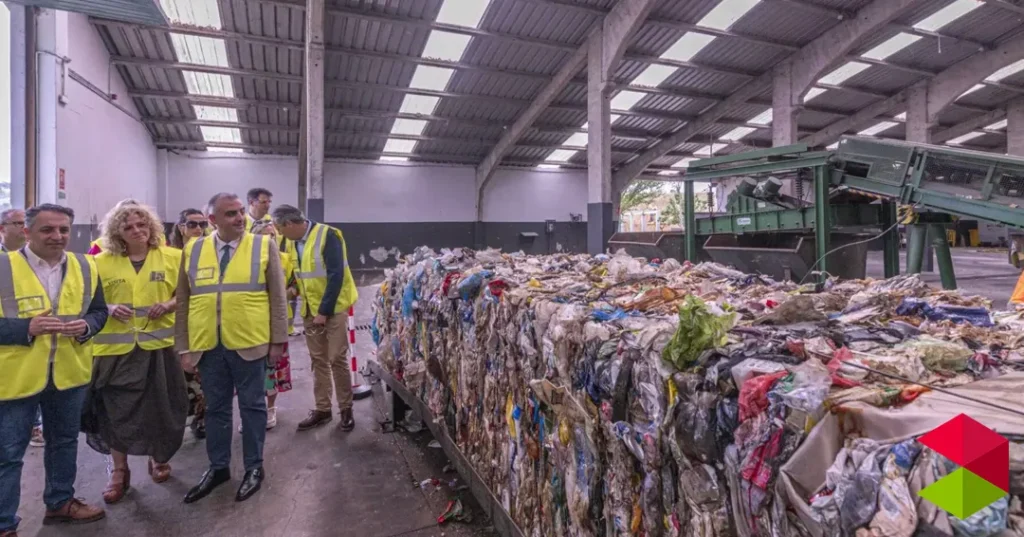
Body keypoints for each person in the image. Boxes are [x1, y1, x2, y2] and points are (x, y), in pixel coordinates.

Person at [0, 204, 109, 537]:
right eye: (47, 229)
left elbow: (99, 312)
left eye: (63, 229)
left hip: (68, 374)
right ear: (27, 232)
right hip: (15, 379)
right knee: (8, 453)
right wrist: (25, 328)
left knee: (63, 442)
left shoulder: (86, 266)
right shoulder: (3, 267)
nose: (57, 236)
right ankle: (4, 523)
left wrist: (87, 327)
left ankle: (60, 502)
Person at [176, 193, 288, 504]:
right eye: (230, 214)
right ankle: (218, 468)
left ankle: (254, 467)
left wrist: (278, 340)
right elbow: (184, 301)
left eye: (240, 212)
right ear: (212, 220)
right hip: (207, 344)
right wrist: (183, 346)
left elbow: (278, 297)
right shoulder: (193, 249)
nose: (239, 218)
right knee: (216, 409)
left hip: (250, 341)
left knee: (253, 406)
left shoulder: (263, 246)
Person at [83, 203, 188, 505]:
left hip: (159, 348)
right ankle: (119, 471)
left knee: (162, 406)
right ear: (117, 232)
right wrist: (108, 307)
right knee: (115, 412)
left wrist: (168, 305)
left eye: (142, 224)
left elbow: (188, 293)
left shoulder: (174, 257)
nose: (137, 230)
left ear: (152, 226)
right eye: (128, 226)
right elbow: (84, 299)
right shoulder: (99, 262)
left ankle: (159, 456)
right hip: (114, 351)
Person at [272, 205, 359, 432]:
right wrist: (291, 290)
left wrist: (324, 311)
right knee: (318, 360)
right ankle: (323, 409)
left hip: (333, 308)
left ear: (289, 224)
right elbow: (298, 274)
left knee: (336, 358)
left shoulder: (328, 235)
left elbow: (336, 275)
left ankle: (346, 409)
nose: (279, 233)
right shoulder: (291, 242)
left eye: (280, 228)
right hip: (310, 309)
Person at [244, 220, 294, 431]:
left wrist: (279, 295)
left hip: (277, 325)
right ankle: (251, 412)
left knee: (272, 369)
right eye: (264, 236)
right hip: (249, 325)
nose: (269, 239)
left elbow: (295, 287)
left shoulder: (285, 260)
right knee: (249, 371)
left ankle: (270, 408)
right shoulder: (243, 260)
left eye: (272, 236)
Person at [0, 209, 43, 450]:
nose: (22, 228)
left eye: (25, 223)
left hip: (38, 340)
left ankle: (35, 426)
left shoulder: (37, 260)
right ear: (2, 229)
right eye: (16, 223)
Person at [169, 208, 210, 438]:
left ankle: (202, 418)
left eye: (202, 224)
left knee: (201, 374)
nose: (198, 229)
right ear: (181, 227)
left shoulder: (209, 251)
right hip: (171, 324)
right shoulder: (169, 254)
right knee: (176, 378)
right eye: (192, 224)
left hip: (200, 321)